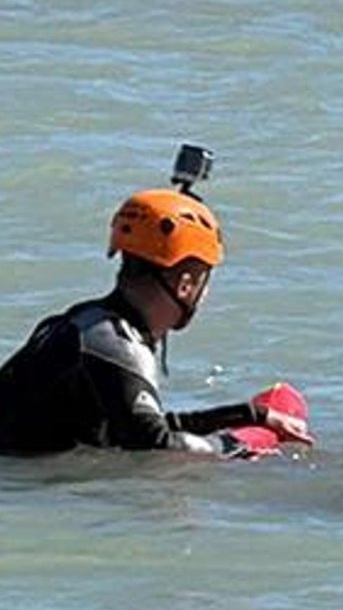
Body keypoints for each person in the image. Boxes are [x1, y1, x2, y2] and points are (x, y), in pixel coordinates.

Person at [0, 187, 314, 455]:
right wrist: (238, 446)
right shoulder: (113, 344)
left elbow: (146, 425)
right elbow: (157, 448)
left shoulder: (91, 325)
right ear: (186, 285)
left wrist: (250, 414)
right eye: (206, 280)